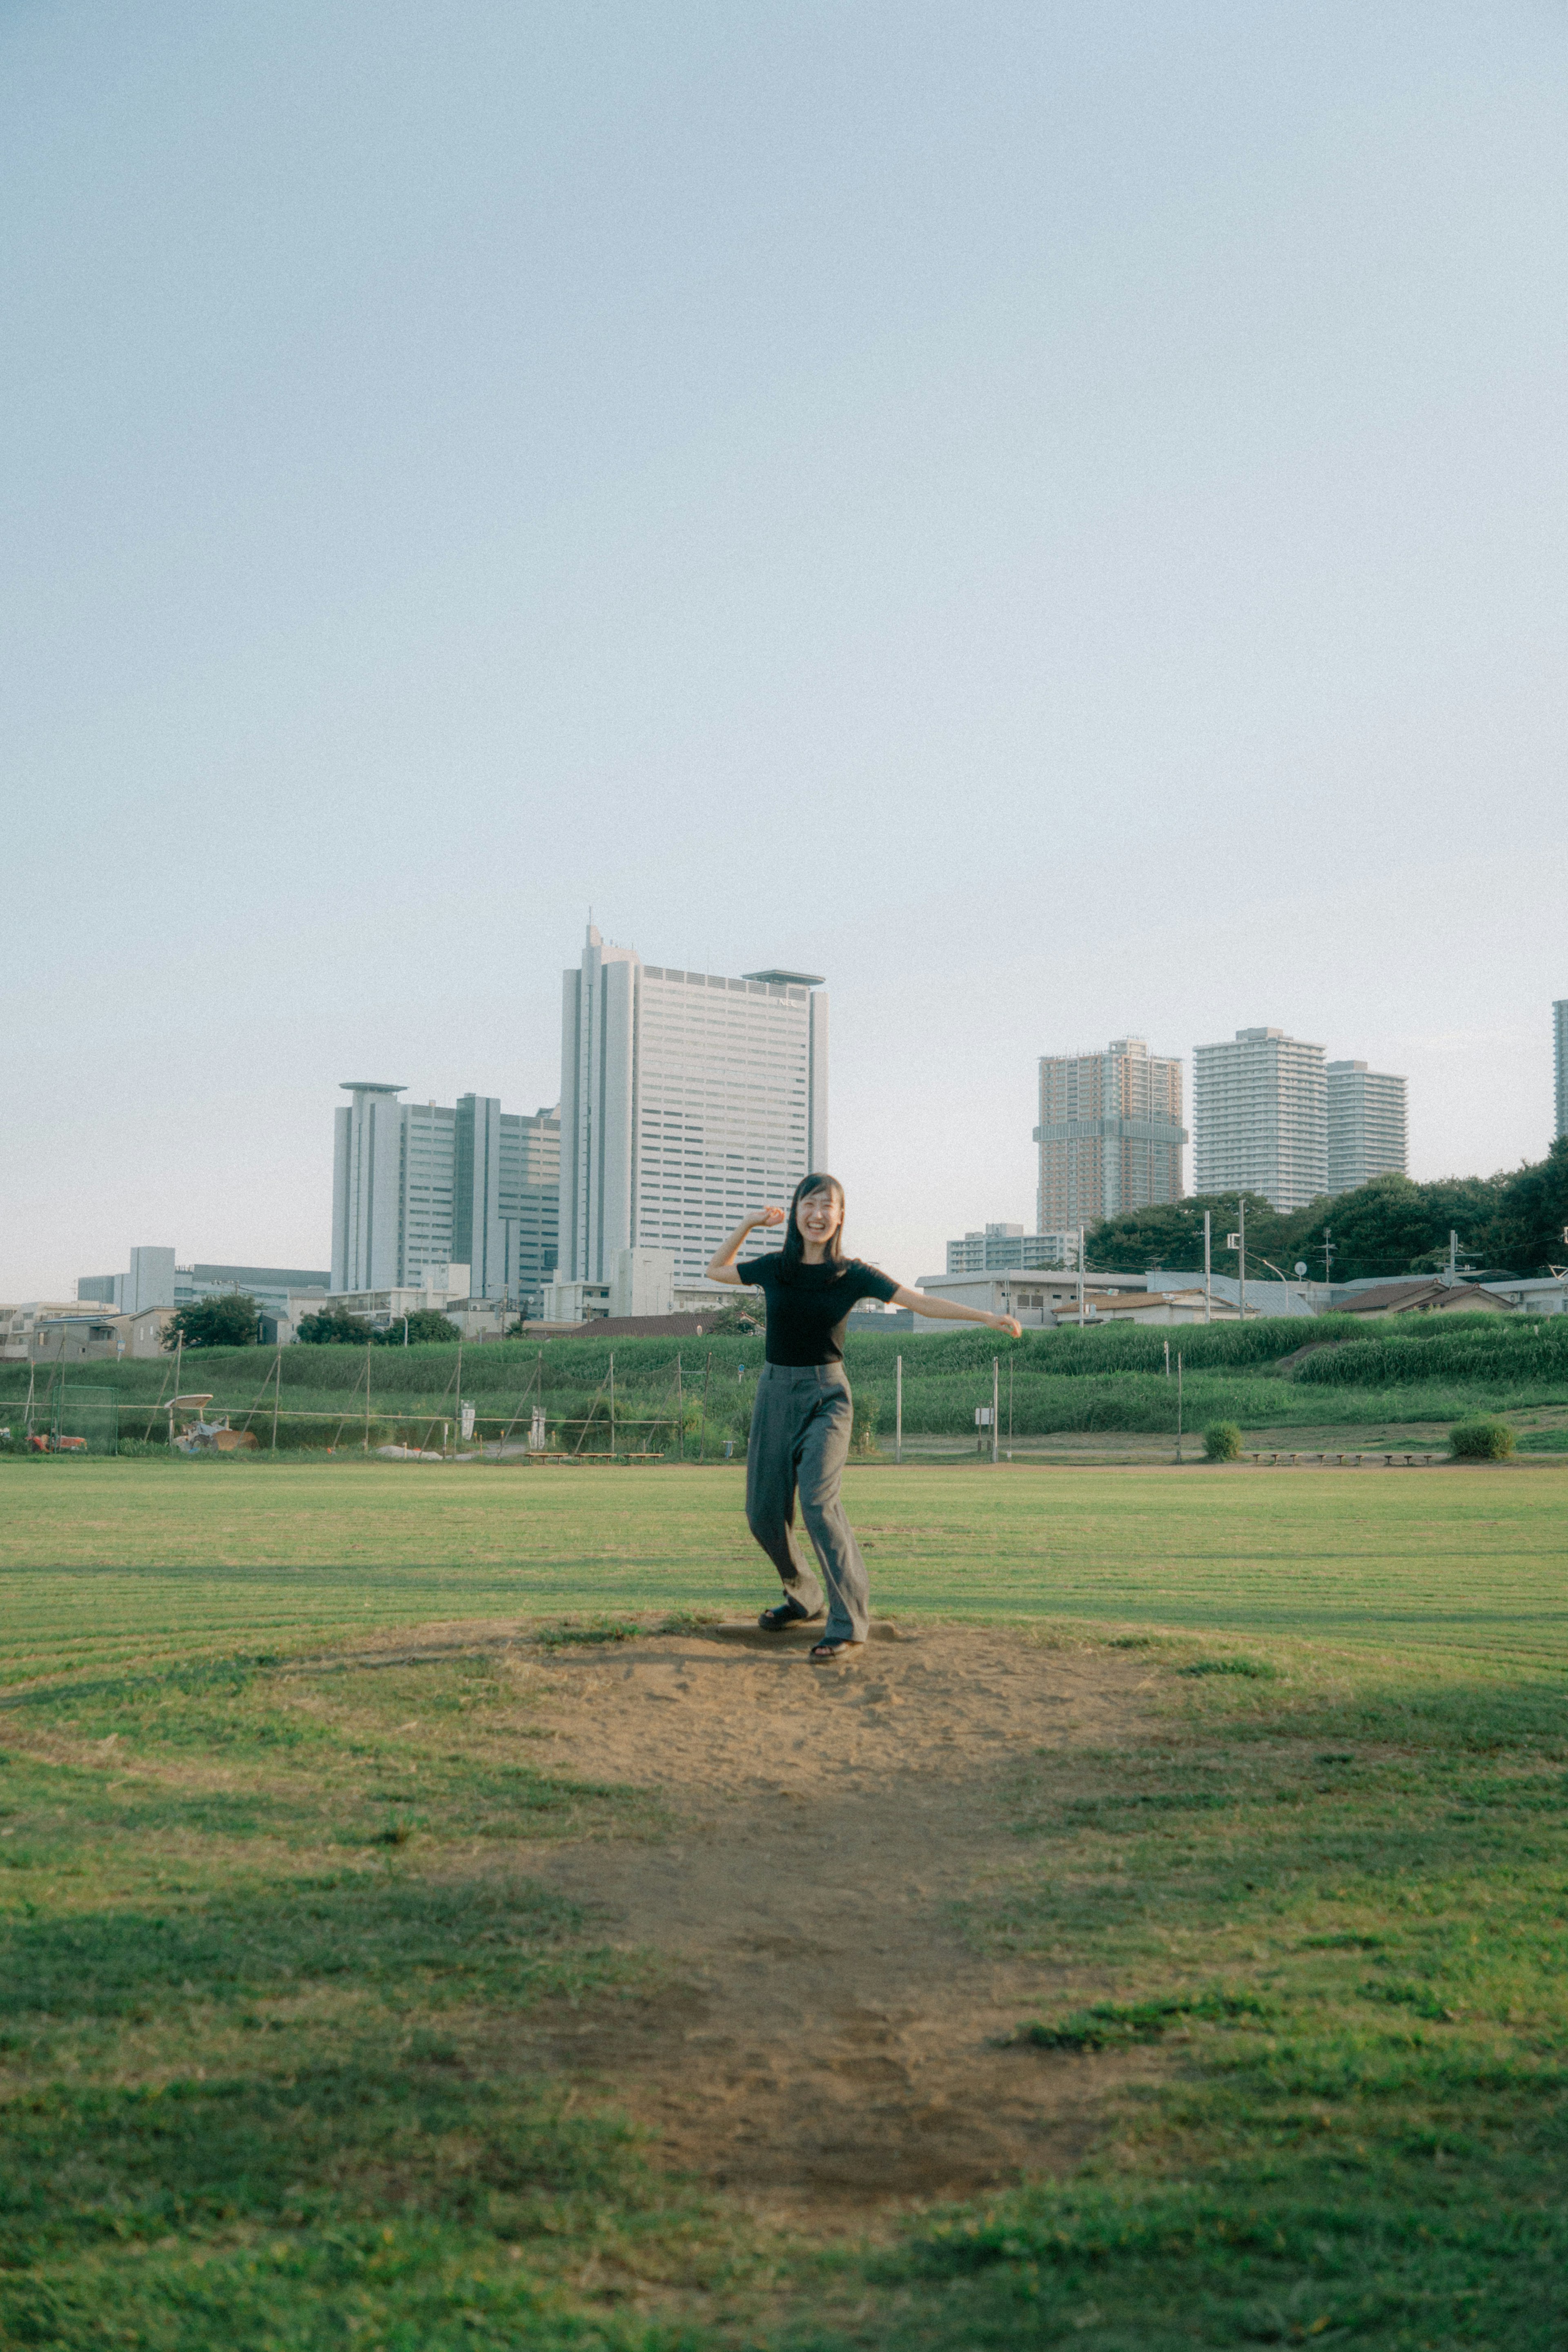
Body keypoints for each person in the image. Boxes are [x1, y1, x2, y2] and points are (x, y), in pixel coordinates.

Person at [706, 1173, 1023, 1662]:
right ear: (795, 1213)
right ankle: (804, 1594)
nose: (817, 1214)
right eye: (808, 1204)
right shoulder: (775, 1267)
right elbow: (716, 1270)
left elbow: (920, 1302)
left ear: (840, 1216)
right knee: (763, 1515)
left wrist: (985, 1317)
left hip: (826, 1396)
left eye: (827, 1205)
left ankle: (848, 1621)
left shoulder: (852, 1274)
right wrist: (748, 1223)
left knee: (817, 1502)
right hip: (774, 1394)